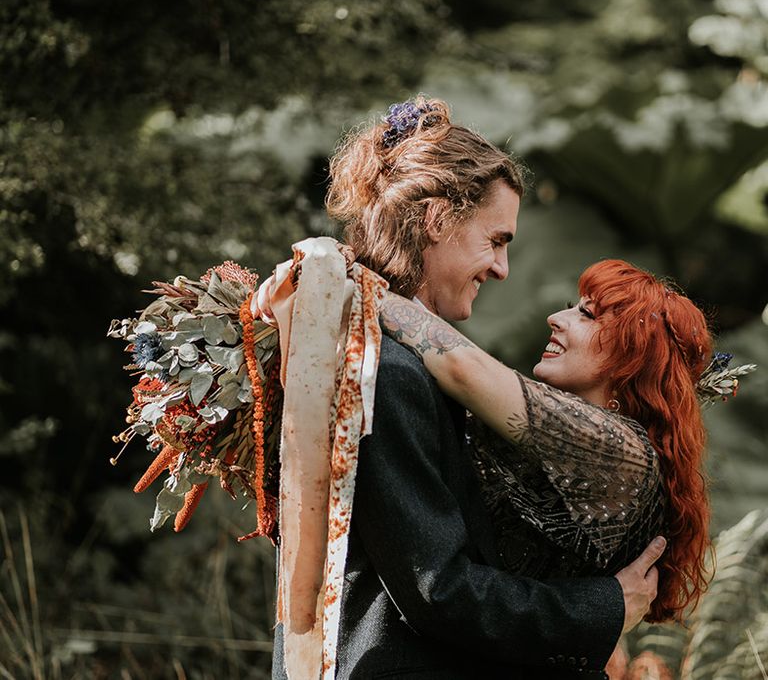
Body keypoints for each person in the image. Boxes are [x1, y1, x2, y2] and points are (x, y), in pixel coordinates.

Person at [270, 97, 665, 679]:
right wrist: (603, 606)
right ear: (436, 221)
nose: (503, 267)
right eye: (496, 239)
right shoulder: (390, 375)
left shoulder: (375, 357)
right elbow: (439, 589)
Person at [378, 259, 712, 624]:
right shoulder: (558, 440)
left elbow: (460, 368)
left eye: (586, 314)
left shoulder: (622, 452)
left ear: (631, 356)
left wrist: (366, 286)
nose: (556, 317)